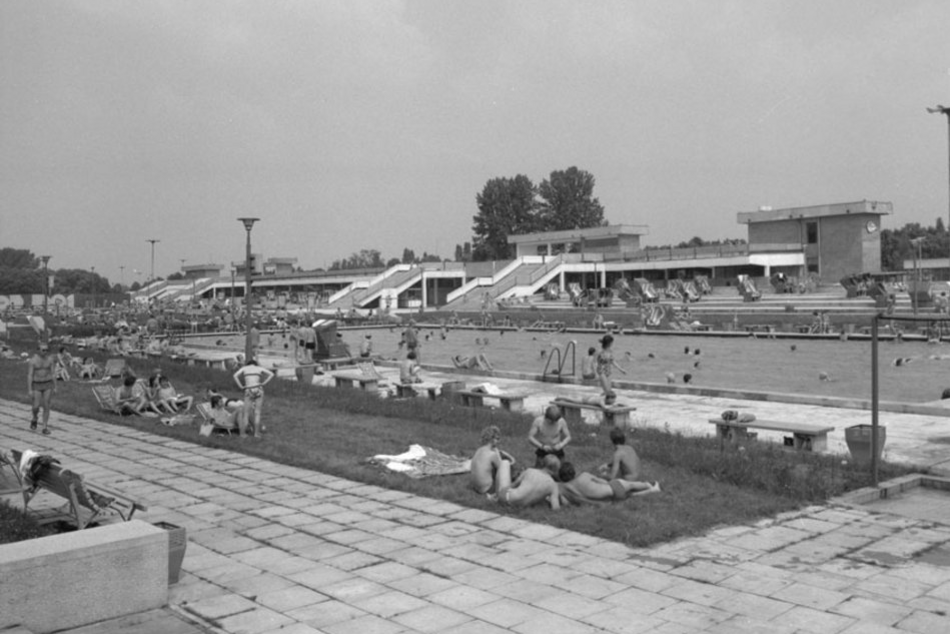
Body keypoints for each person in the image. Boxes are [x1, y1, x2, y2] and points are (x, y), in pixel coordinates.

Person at [557, 462, 659, 506]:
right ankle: (647, 485)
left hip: (610, 500)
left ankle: (651, 491)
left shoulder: (566, 489)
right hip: (613, 489)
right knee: (630, 485)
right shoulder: (584, 476)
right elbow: (604, 482)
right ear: (574, 472)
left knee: (631, 495)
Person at [491, 459, 560, 509]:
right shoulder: (553, 485)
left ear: (543, 464)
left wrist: (501, 492)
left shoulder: (529, 471)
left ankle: (495, 496)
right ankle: (496, 497)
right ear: (555, 470)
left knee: (504, 463)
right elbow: (555, 507)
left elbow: (514, 485)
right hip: (520, 506)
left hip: (507, 498)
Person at [233, 359, 275, 438]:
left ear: (248, 364)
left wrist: (240, 386)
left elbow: (235, 375)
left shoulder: (244, 368)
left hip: (248, 389)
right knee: (257, 412)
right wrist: (264, 383)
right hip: (258, 389)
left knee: (246, 413)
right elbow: (271, 374)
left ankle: (243, 433)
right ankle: (256, 433)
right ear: (255, 364)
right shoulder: (259, 368)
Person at [470, 425, 516, 495]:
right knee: (506, 464)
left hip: (476, 488)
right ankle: (509, 489)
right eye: (497, 439)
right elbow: (503, 470)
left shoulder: (479, 450)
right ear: (492, 439)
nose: (499, 441)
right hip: (487, 489)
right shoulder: (493, 455)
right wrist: (511, 459)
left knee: (493, 466)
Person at [27, 341, 57, 434]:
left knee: (46, 405)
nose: (45, 352)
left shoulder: (50, 360)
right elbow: (30, 375)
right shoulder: (33, 361)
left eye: (47, 350)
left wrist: (55, 386)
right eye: (43, 350)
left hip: (47, 384)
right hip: (37, 384)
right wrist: (30, 389)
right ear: (38, 350)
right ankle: (35, 417)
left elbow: (53, 373)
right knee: (36, 406)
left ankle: (44, 427)